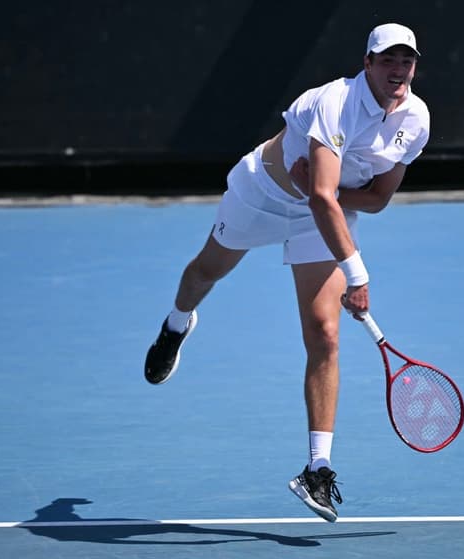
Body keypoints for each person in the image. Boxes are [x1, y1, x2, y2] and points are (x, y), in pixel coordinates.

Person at [144, 22, 429, 523]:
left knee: (324, 334)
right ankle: (176, 322)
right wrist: (357, 275)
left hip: (323, 214)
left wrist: (334, 198)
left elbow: (377, 199)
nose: (398, 70)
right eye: (388, 60)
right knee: (206, 271)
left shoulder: (416, 118)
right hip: (263, 196)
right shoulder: (336, 103)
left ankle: (317, 469)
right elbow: (318, 194)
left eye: (406, 61)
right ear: (367, 64)